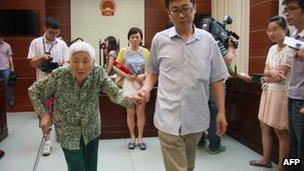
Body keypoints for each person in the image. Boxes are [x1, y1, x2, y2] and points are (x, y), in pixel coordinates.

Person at [134, 0, 229, 170]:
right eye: (175, 10)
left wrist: (221, 112)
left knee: (188, 164)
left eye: (185, 9)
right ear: (168, 12)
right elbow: (153, 72)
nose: (181, 15)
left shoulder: (208, 41)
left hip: (196, 117)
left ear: (195, 9)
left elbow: (216, 79)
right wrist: (146, 89)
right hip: (168, 116)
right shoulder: (159, 39)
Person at [28, 41, 133, 171]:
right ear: (69, 61)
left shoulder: (98, 73)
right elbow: (34, 90)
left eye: (85, 61)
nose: (80, 66)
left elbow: (116, 93)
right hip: (67, 130)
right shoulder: (60, 75)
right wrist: (43, 114)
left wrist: (133, 100)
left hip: (91, 129)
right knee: (76, 167)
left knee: (90, 167)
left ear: (93, 62)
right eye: (75, 61)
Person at [249, 15, 292, 170]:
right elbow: (265, 71)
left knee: (281, 131)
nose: (271, 33)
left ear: (285, 30)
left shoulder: (290, 49)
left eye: (275, 29)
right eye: (268, 30)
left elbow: (279, 78)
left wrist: (269, 75)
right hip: (267, 92)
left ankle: (282, 166)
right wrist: (270, 74)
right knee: (264, 126)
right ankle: (266, 159)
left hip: (281, 94)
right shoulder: (272, 48)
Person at [27, 16, 69, 156]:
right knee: (44, 113)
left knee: (61, 111)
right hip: (42, 84)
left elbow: (67, 63)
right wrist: (42, 58)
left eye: (56, 32)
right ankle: (47, 141)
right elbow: (32, 63)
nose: (54, 35)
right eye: (51, 32)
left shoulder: (62, 44)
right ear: (45, 28)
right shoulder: (36, 42)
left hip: (59, 83)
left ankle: (61, 135)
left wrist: (59, 67)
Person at [114, 27, 150, 150]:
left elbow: (150, 68)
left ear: (141, 38)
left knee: (140, 111)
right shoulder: (123, 51)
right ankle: (132, 137)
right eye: (132, 37)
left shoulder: (145, 51)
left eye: (137, 37)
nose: (135, 39)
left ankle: (140, 138)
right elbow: (115, 66)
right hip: (129, 84)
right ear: (128, 38)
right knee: (130, 112)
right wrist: (126, 75)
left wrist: (143, 75)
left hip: (141, 84)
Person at [282, 0, 304, 170]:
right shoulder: (294, 37)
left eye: (292, 9)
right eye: (285, 10)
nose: (287, 13)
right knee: (294, 147)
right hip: (292, 96)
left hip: (302, 100)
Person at [0, 32, 15, 107]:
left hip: (6, 68)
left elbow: (10, 57)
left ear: (2, 38)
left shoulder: (7, 45)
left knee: (8, 85)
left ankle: (10, 101)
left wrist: (12, 67)